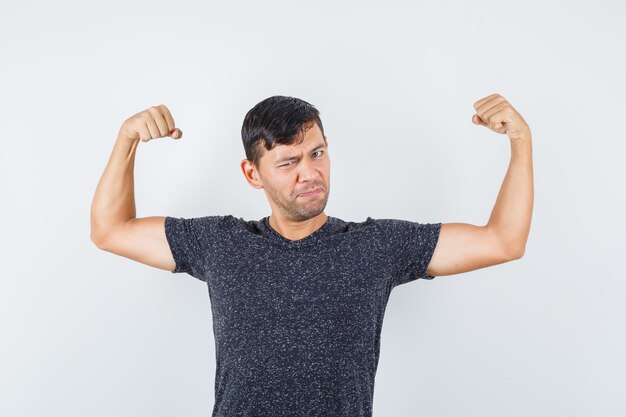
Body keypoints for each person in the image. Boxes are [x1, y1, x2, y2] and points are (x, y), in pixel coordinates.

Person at [90, 94, 533, 416]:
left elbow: (502, 241)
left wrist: (521, 142)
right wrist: (127, 138)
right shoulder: (220, 243)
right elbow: (111, 230)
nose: (310, 172)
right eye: (288, 162)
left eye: (317, 153)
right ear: (252, 174)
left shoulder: (376, 247)